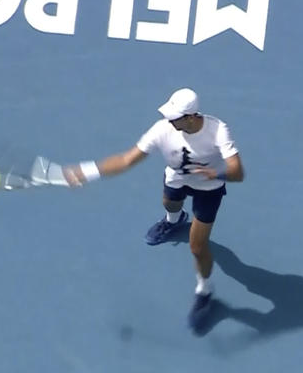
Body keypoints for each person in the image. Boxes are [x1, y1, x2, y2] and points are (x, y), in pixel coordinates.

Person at [63, 88, 244, 329]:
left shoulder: (218, 130)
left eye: (175, 117)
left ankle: (204, 290)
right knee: (169, 203)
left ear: (190, 117)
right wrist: (87, 172)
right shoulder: (162, 129)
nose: (169, 121)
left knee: (197, 247)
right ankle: (173, 221)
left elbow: (238, 172)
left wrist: (215, 173)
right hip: (177, 178)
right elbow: (127, 160)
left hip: (209, 189)